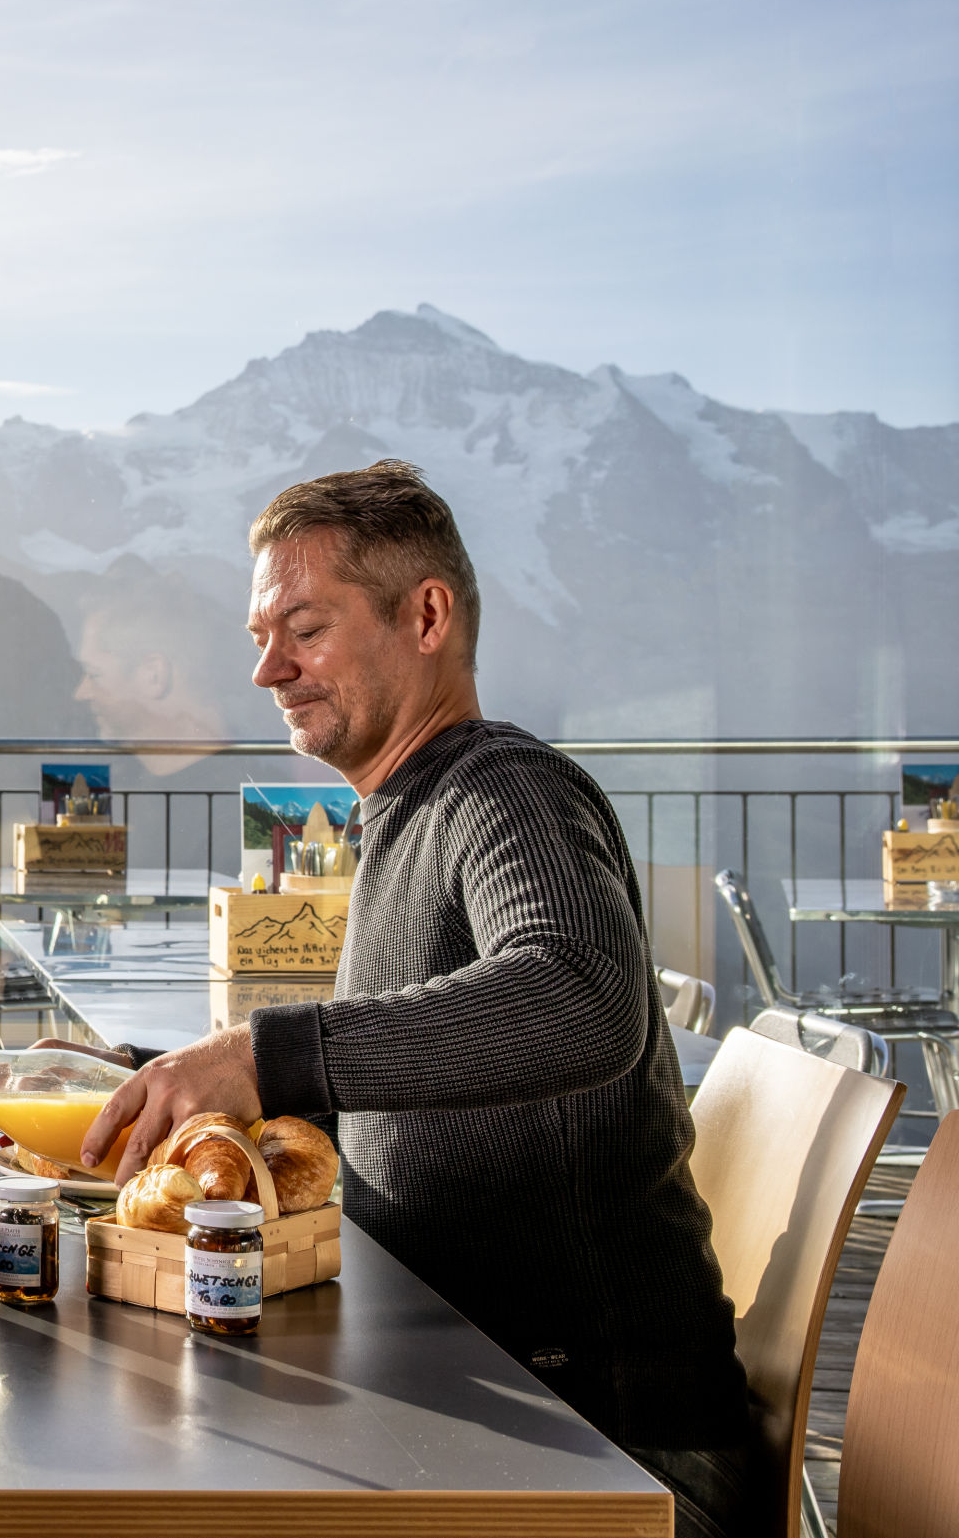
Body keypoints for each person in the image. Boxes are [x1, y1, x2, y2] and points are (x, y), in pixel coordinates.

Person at [66, 462, 756, 1536]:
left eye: (305, 628)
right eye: (261, 635)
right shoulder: (408, 811)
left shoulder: (505, 789)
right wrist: (169, 1080)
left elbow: (580, 995)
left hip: (606, 1452)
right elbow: (403, 1087)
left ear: (426, 616)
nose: (268, 669)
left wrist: (261, 1055)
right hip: (466, 1393)